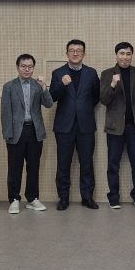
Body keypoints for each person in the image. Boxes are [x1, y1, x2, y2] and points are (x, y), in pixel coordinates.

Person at [50, 39, 101, 210]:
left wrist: (83, 109)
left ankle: (87, 197)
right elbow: (52, 97)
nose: (75, 53)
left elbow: (96, 96)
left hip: (86, 125)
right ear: (67, 53)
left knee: (87, 164)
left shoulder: (91, 73)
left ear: (84, 54)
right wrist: (62, 85)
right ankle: (63, 198)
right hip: (64, 126)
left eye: (79, 50)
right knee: (63, 164)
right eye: (72, 50)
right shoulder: (58, 73)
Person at [100, 42, 135, 209]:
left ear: (131, 55)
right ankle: (113, 197)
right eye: (121, 53)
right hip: (115, 126)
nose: (125, 57)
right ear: (116, 55)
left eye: (128, 54)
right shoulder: (107, 73)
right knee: (113, 163)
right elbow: (104, 100)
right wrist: (113, 85)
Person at [1, 54, 53, 214]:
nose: (27, 69)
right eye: (23, 66)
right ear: (18, 67)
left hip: (35, 131)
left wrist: (44, 87)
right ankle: (14, 199)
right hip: (16, 132)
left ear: (33, 68)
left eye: (30, 66)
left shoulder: (38, 85)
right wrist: (7, 134)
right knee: (14, 167)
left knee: (34, 167)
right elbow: (5, 112)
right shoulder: (9, 86)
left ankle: (32, 198)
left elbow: (49, 103)